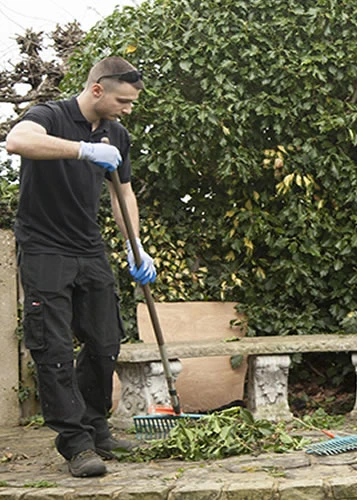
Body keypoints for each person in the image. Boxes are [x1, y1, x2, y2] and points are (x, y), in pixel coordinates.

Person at [4, 56, 157, 478]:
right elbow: (17, 142)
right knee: (52, 347)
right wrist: (83, 150)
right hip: (44, 247)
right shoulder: (49, 115)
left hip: (89, 247)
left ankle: (96, 428)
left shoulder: (117, 135)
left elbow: (122, 194)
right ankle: (75, 444)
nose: (128, 108)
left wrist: (136, 246)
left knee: (105, 341)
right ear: (96, 90)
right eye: (123, 100)